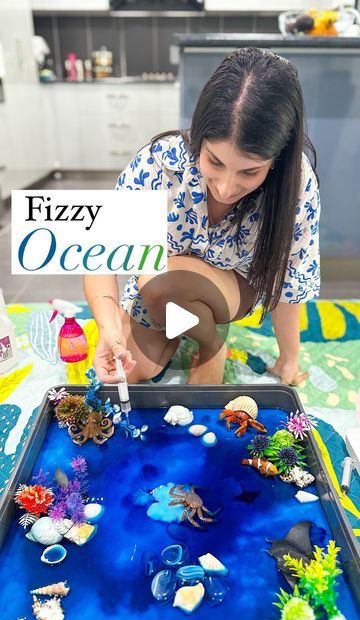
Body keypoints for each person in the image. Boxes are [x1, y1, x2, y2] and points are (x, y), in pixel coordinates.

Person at [84, 47, 320, 386]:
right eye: (215, 163)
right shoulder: (159, 163)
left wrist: (289, 358)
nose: (225, 188)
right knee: (129, 371)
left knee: (161, 281)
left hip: (229, 286)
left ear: (276, 159)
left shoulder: (296, 183)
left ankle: (211, 344)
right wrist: (108, 327)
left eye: (249, 172)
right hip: (161, 287)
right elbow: (100, 255)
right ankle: (179, 327)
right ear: (199, 137)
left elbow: (292, 279)